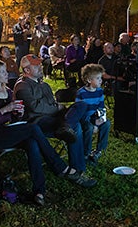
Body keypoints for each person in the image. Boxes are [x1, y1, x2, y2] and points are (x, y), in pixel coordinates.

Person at [0, 59, 94, 206]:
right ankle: (59, 166)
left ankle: (39, 191)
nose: (8, 74)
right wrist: (5, 110)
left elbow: (14, 116)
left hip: (10, 129)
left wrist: (18, 112)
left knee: (33, 144)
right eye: (3, 72)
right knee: (33, 129)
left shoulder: (8, 91)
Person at [14, 54, 95, 186]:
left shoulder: (44, 85)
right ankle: (78, 170)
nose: (41, 67)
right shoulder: (22, 86)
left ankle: (66, 126)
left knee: (81, 105)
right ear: (27, 70)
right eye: (36, 65)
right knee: (75, 127)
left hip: (55, 118)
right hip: (38, 122)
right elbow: (35, 107)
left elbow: (50, 103)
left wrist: (61, 109)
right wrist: (58, 108)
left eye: (40, 64)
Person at [75, 64, 110, 164]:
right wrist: (94, 123)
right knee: (89, 128)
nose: (101, 80)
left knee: (106, 124)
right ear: (89, 80)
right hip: (85, 118)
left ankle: (99, 150)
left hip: (96, 116)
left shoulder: (99, 91)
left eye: (101, 78)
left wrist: (101, 118)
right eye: (98, 78)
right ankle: (86, 152)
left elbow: (101, 107)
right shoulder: (81, 93)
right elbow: (79, 111)